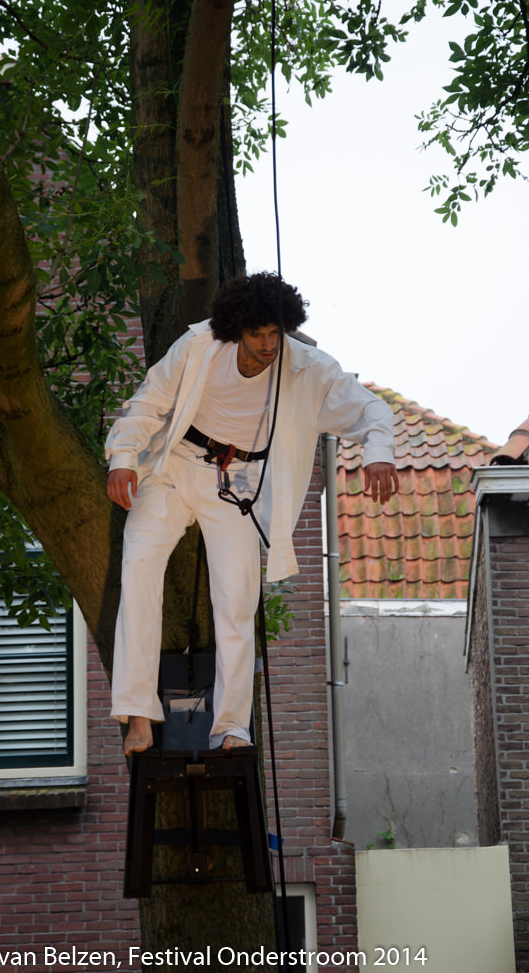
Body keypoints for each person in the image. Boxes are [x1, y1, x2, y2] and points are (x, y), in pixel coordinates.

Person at [106, 272, 398, 756]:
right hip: (176, 466)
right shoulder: (199, 346)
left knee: (237, 600)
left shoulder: (308, 367)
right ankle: (138, 712)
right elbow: (149, 401)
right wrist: (123, 457)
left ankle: (231, 727)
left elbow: (371, 410)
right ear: (235, 329)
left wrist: (379, 453)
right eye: (256, 334)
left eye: (275, 333)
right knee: (137, 569)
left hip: (238, 482)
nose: (267, 345)